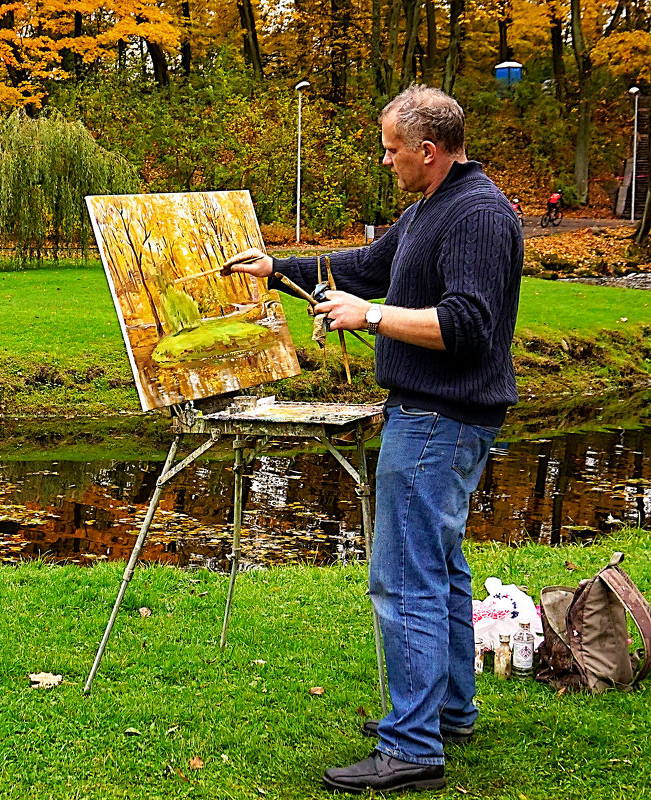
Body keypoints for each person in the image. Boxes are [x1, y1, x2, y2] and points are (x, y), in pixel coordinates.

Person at [223, 85, 523, 794]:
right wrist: (278, 269)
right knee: (442, 570)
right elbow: (365, 264)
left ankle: (412, 747)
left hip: (439, 421)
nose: (385, 160)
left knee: (405, 580)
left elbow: (466, 325)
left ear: (429, 150)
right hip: (436, 419)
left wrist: (373, 318)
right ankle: (448, 710)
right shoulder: (430, 207)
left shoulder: (477, 214)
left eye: (392, 149)